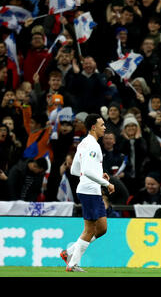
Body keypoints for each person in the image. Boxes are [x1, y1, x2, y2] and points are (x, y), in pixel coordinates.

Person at [60, 113, 115, 272]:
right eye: (102, 125)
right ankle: (72, 264)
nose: (104, 127)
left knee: (102, 228)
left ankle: (69, 253)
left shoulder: (83, 143)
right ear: (93, 127)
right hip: (89, 191)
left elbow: (76, 169)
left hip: (89, 190)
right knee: (90, 229)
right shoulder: (92, 145)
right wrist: (107, 183)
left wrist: (99, 174)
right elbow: (85, 171)